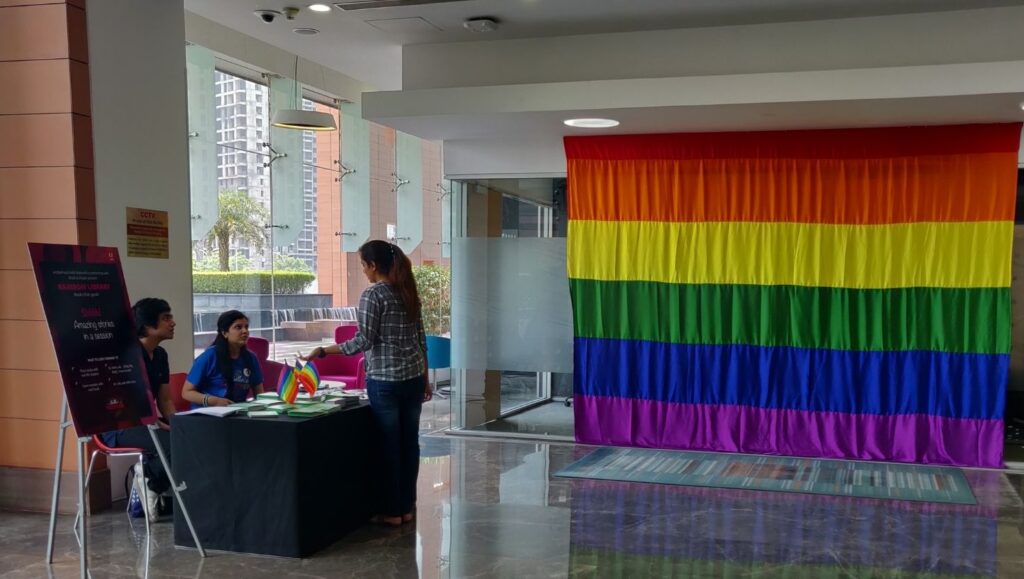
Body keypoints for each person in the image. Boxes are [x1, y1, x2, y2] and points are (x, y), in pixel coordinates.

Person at [300, 240, 431, 527]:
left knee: (389, 445)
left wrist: (324, 351)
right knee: (410, 444)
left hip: (385, 381)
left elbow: (363, 340)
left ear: (373, 265)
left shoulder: (374, 294)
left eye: (363, 265)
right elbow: (421, 341)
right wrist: (426, 377)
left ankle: (392, 511)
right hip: (411, 379)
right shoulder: (407, 291)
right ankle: (407, 507)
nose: (363, 271)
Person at [101, 297, 177, 522]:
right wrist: (156, 423)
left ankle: (150, 477)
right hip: (120, 425)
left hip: (149, 419)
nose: (173, 323)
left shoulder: (160, 355)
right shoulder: (126, 355)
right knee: (174, 443)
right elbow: (121, 404)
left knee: (189, 435)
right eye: (166, 318)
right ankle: (150, 477)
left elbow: (164, 399)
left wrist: (178, 423)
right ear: (147, 326)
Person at [182, 310, 264, 408]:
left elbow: (260, 395)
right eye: (238, 327)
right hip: (208, 415)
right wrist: (214, 401)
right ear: (224, 333)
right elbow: (186, 392)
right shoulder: (209, 356)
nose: (245, 331)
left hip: (238, 414)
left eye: (246, 327)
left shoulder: (251, 358)